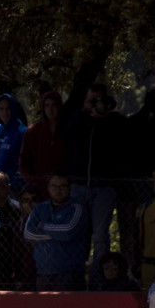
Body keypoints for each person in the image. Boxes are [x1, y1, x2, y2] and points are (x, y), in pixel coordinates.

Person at [66, 82, 127, 260]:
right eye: (91, 100)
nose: (95, 105)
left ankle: (100, 277)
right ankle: (76, 274)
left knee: (100, 236)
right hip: (79, 185)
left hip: (104, 188)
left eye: (98, 100)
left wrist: (106, 112)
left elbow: (121, 144)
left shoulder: (113, 121)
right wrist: (85, 114)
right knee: (78, 233)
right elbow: (68, 137)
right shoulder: (79, 118)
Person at [24, 172, 91, 289]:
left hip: (70, 274)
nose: (58, 190)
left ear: (69, 188)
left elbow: (68, 231)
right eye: (54, 186)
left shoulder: (77, 208)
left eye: (62, 186)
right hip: (43, 273)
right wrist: (56, 233)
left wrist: (42, 226)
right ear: (48, 188)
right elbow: (28, 234)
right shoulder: (39, 209)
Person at [20, 89, 68, 197]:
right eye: (46, 105)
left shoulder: (68, 130)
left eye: (53, 105)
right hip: (39, 189)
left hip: (63, 189)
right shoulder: (33, 131)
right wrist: (33, 182)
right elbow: (24, 161)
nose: (50, 110)